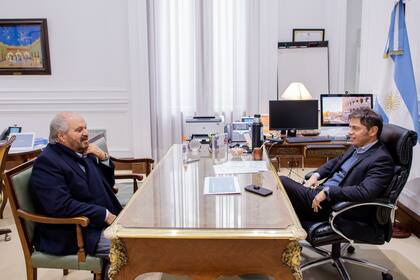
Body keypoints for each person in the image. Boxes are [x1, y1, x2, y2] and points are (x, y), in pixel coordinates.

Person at [30, 112, 122, 270]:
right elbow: (60, 205)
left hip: (93, 223)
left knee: (142, 238)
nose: (86, 133)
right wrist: (103, 214)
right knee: (130, 248)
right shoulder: (47, 162)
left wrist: (103, 157)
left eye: (85, 128)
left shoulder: (80, 153)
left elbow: (107, 183)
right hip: (72, 231)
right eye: (79, 130)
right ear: (61, 136)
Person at [280, 108, 395, 224]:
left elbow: (365, 192)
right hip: (321, 193)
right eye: (350, 127)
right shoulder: (358, 146)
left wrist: (328, 191)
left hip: (335, 206)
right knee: (281, 195)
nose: (350, 132)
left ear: (373, 131)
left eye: (355, 128)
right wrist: (315, 175)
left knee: (281, 182)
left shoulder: (381, 159)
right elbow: (336, 162)